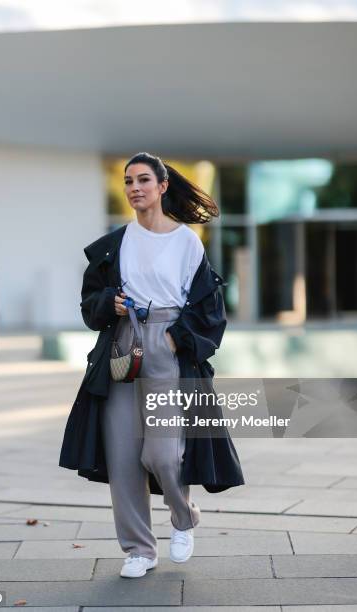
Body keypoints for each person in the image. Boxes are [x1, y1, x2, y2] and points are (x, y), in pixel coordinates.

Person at [59, 152, 245, 579]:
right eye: (127, 181)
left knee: (163, 453)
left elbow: (211, 311)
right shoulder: (114, 243)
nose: (134, 187)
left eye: (143, 179)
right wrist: (111, 304)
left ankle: (183, 518)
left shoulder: (186, 243)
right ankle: (139, 550)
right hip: (122, 348)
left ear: (162, 186)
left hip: (168, 348)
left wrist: (173, 338)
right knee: (123, 456)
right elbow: (89, 307)